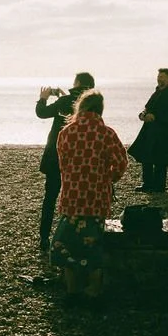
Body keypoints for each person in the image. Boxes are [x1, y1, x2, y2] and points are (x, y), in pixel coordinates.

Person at [49, 89, 129, 303]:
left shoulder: (66, 132)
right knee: (92, 245)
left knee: (68, 243)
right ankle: (93, 290)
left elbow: (63, 165)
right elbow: (121, 162)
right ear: (100, 109)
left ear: (81, 107)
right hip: (96, 198)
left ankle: (72, 289)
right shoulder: (106, 133)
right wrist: (109, 178)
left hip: (72, 196)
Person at [35, 72, 95, 253]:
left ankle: (44, 237)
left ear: (76, 83)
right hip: (80, 157)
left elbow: (42, 113)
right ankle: (74, 235)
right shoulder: (93, 104)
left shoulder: (64, 101)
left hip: (57, 155)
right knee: (77, 197)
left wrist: (43, 98)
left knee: (51, 197)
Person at [128, 68, 168, 193]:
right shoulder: (156, 93)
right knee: (146, 157)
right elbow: (147, 108)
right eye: (158, 76)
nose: (159, 79)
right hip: (149, 130)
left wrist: (155, 117)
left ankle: (159, 186)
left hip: (163, 132)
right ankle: (147, 183)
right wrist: (143, 114)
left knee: (160, 160)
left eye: (162, 77)